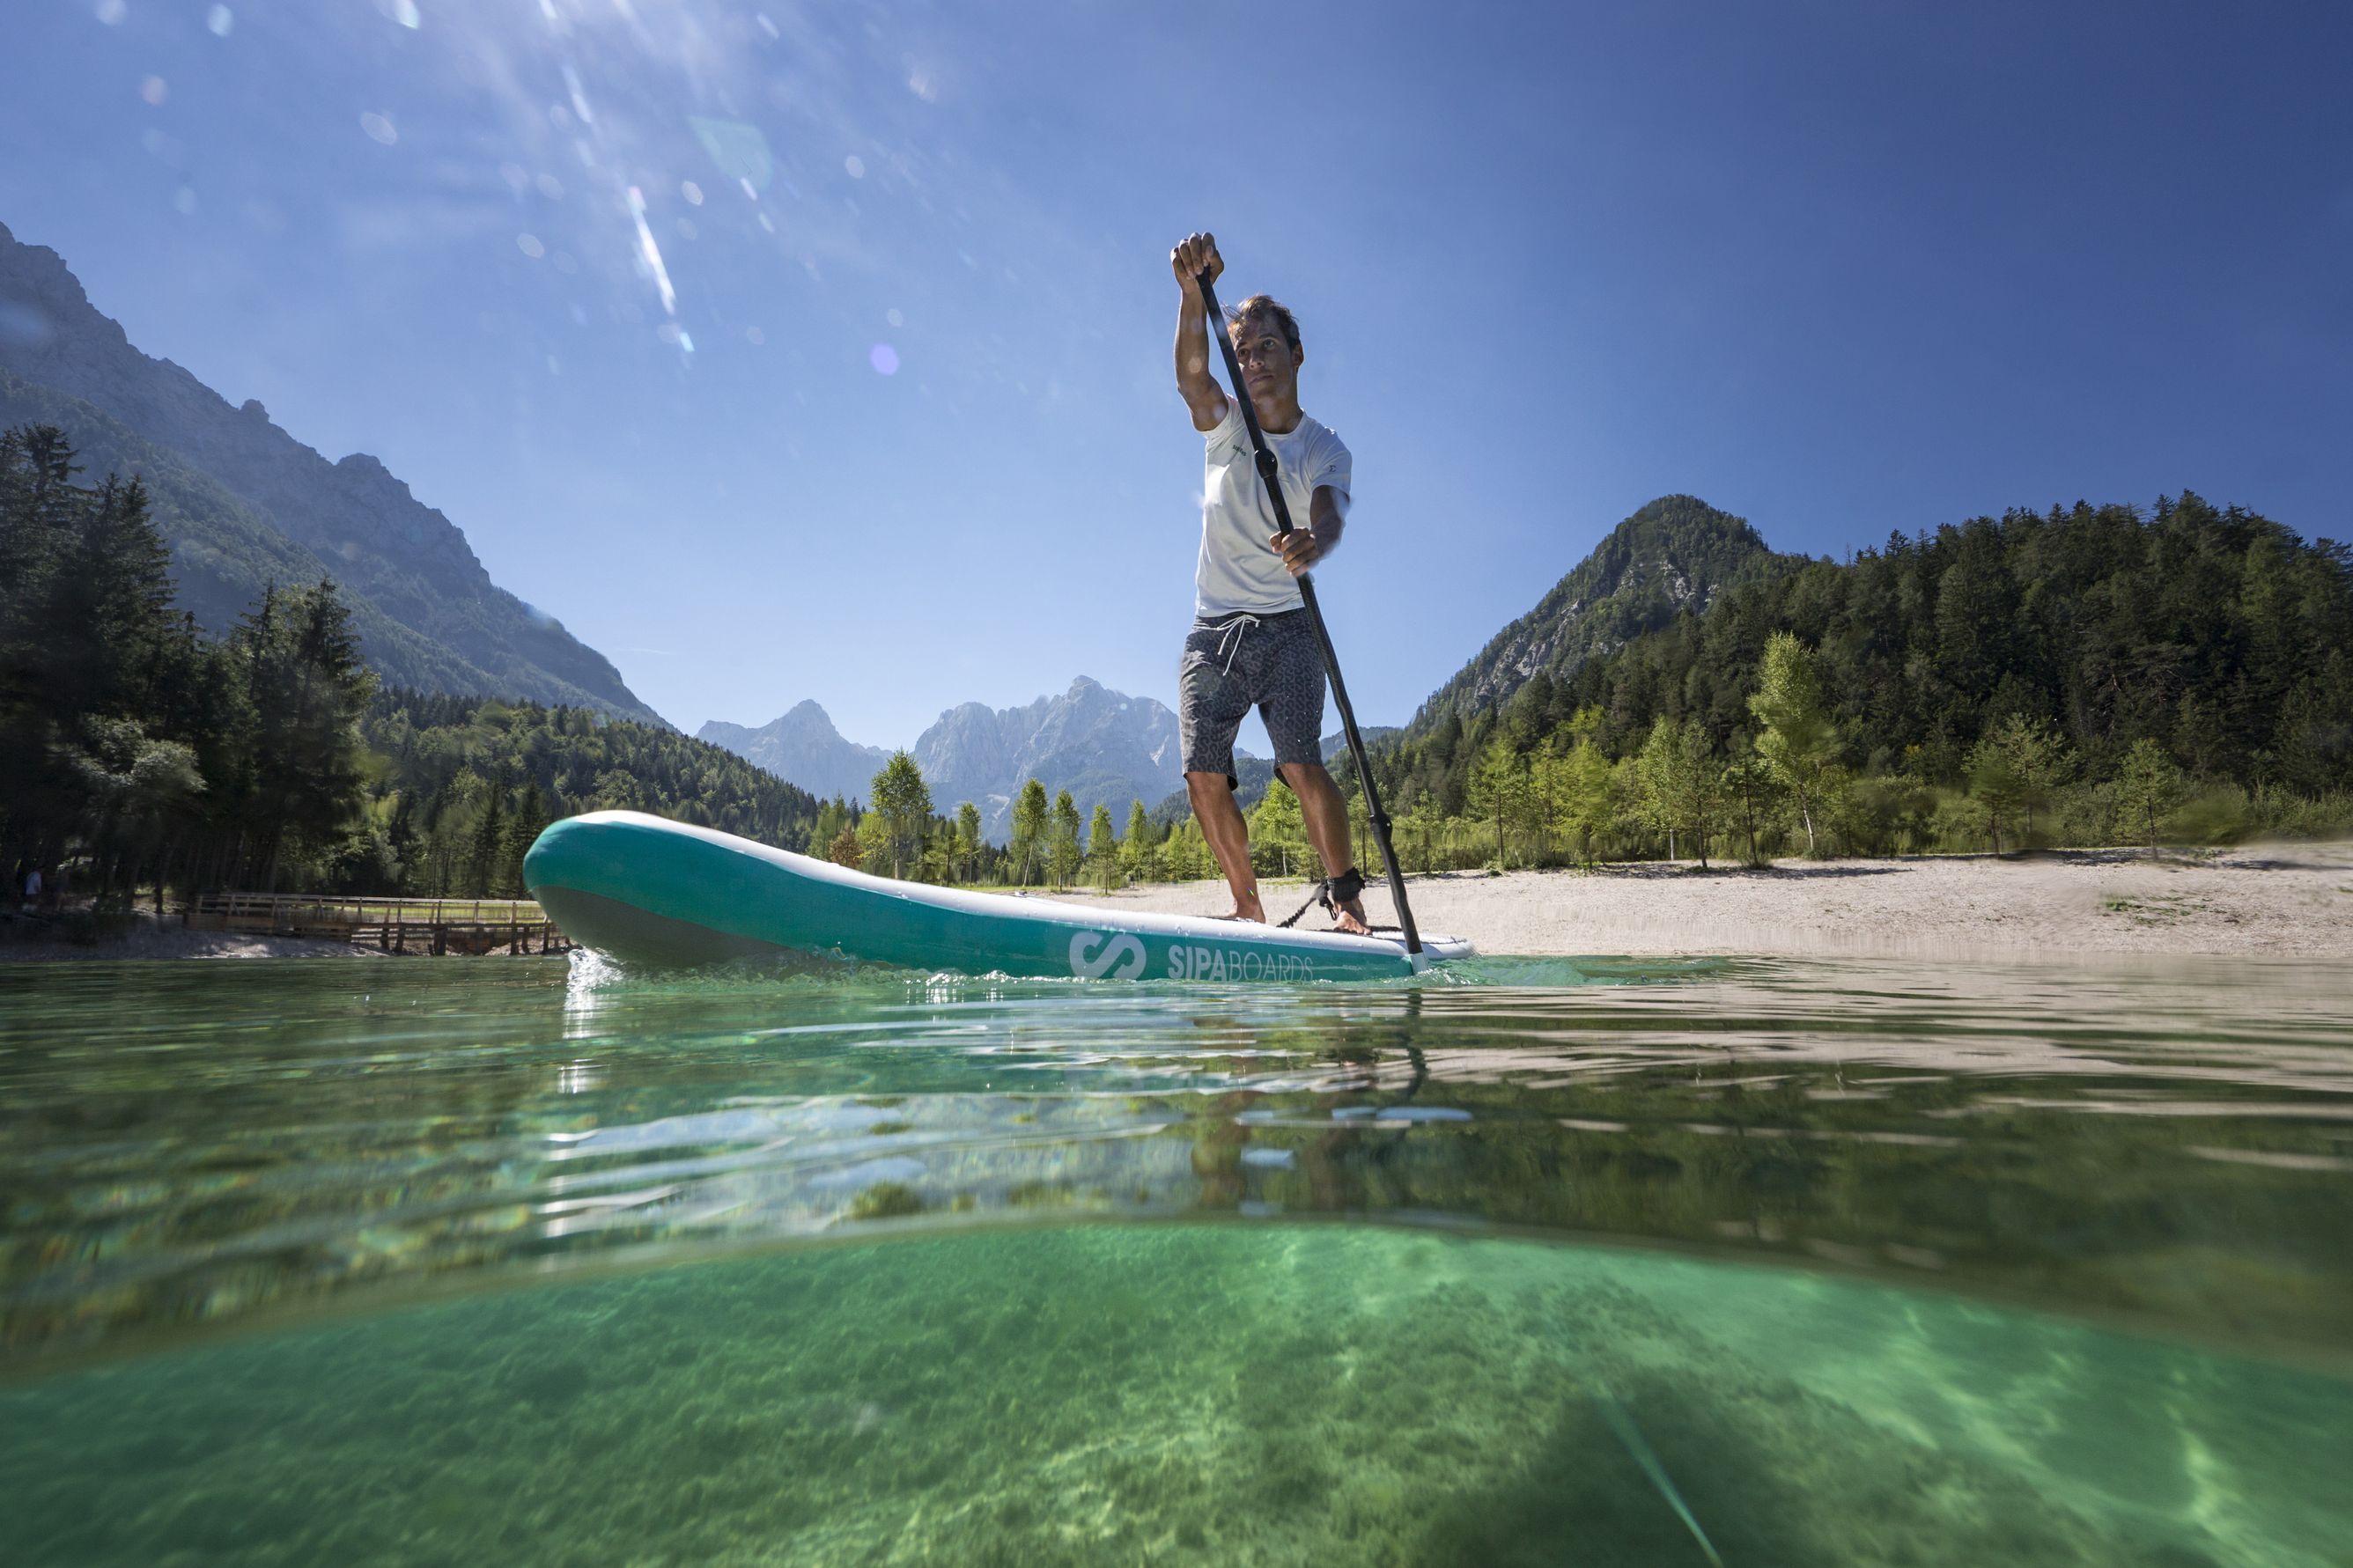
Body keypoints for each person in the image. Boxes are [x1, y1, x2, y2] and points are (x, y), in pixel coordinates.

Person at [1169, 231, 1369, 933]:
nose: (1253, 361)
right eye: (1243, 350)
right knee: (1201, 771)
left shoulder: (1324, 445)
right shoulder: (1225, 427)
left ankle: (1347, 900)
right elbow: (1194, 379)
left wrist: (1317, 539)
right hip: (1215, 627)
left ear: (1296, 354)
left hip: (1288, 626)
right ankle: (1247, 907)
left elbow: (1331, 507)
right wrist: (1193, 294)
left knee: (1299, 765)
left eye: (1267, 348)